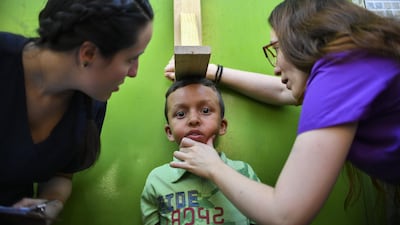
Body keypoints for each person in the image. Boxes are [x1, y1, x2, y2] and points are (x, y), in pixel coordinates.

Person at [164, 0, 400, 224]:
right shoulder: (354, 65)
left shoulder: (339, 74)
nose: (276, 67)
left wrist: (213, 166)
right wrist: (213, 71)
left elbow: (285, 215)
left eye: (277, 49)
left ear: (304, 42)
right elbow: (282, 92)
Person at [0, 0, 153, 223]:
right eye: (131, 58)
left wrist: (51, 203)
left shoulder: (92, 102)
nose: (134, 72)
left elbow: (61, 174)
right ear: (88, 54)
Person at [140, 77, 260, 225]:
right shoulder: (157, 180)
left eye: (205, 110)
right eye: (181, 114)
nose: (193, 119)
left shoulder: (243, 172)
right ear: (169, 132)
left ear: (222, 126)